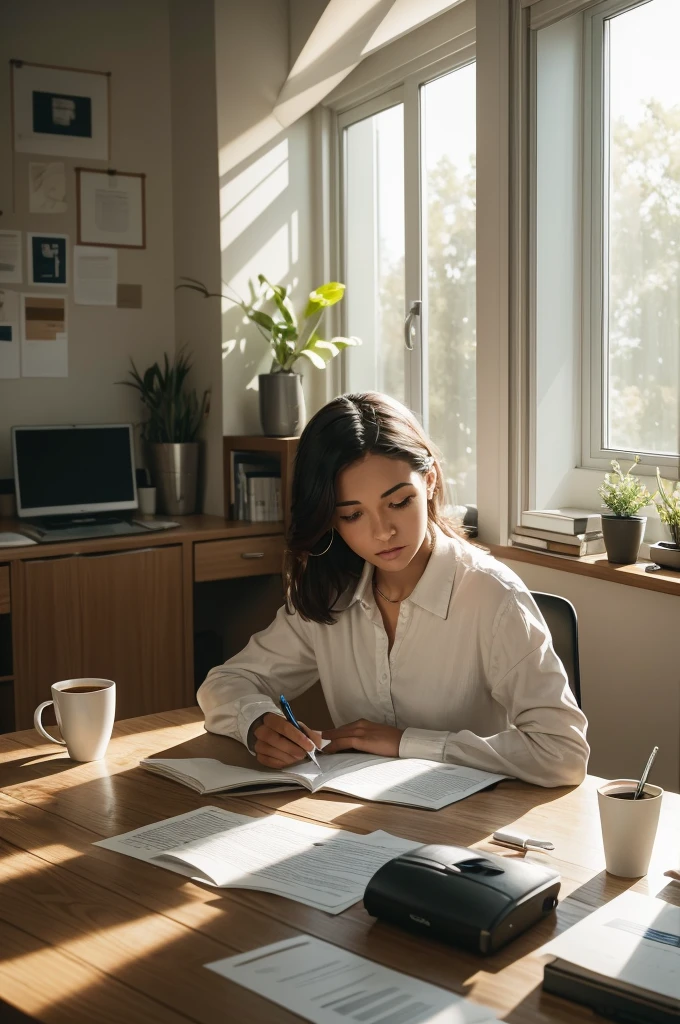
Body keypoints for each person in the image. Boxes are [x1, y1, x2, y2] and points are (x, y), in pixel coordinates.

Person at [198, 392, 589, 787]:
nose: (382, 532)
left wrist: (408, 743)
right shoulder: (331, 595)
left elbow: (563, 752)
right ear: (331, 520)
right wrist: (257, 724)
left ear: (430, 480)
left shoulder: (493, 597)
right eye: (352, 515)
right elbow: (223, 685)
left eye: (399, 502)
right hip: (357, 823)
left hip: (468, 826)